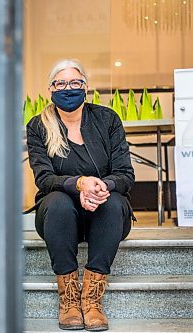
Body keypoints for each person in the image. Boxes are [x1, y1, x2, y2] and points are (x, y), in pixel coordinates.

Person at [26, 59, 135, 331]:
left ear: (85, 87)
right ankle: (70, 300)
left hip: (104, 214)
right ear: (51, 89)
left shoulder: (107, 119)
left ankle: (92, 300)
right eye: (61, 83)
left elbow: (125, 174)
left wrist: (101, 187)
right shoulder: (38, 126)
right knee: (58, 202)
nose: (68, 88)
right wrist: (80, 183)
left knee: (114, 203)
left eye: (75, 82)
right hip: (58, 219)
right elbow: (44, 178)